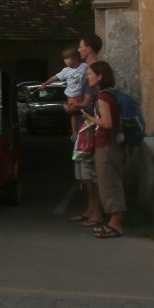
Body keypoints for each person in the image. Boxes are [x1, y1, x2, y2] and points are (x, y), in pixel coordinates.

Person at [80, 60, 126, 238]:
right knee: (108, 183)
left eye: (91, 74)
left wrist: (90, 118)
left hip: (106, 145)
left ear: (100, 77)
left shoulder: (103, 97)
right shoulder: (109, 95)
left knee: (109, 184)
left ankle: (115, 224)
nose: (88, 76)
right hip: (108, 144)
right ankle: (113, 222)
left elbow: (107, 123)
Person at [69, 33, 105, 226]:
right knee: (86, 173)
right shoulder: (87, 69)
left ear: (89, 47)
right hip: (85, 126)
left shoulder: (95, 70)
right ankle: (91, 209)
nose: (79, 49)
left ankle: (97, 212)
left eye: (81, 46)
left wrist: (71, 107)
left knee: (91, 172)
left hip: (90, 125)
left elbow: (87, 102)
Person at [42, 45, 87, 138]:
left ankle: (82, 130)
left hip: (82, 95)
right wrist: (46, 83)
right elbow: (55, 77)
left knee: (83, 113)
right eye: (64, 59)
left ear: (75, 58)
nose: (64, 61)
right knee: (74, 114)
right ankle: (75, 132)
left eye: (67, 58)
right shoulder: (66, 71)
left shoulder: (84, 66)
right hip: (72, 96)